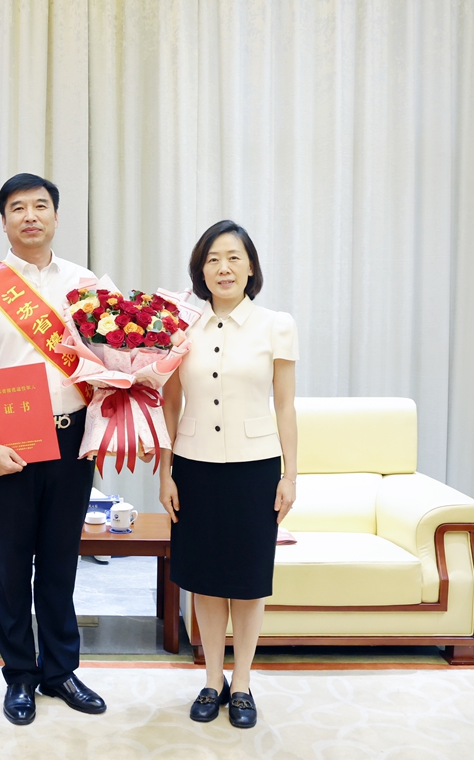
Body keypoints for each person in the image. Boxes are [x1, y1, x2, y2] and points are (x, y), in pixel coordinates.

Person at [0, 173, 107, 725]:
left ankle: (61, 671)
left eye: (41, 206)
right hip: (9, 439)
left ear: (56, 216)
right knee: (13, 564)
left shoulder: (86, 283)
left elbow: (108, 363)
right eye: (18, 207)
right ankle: (19, 675)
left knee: (60, 562)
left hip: (73, 437)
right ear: (4, 220)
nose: (30, 215)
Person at [157, 219, 298, 729]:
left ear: (251, 267)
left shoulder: (275, 325)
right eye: (213, 259)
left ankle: (241, 684)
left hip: (255, 468)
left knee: (248, 580)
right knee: (206, 579)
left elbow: (285, 405)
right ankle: (211, 679)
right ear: (200, 270)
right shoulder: (181, 326)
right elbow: (169, 403)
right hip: (194, 466)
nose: (223, 267)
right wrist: (165, 472)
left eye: (234, 257)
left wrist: (290, 475)